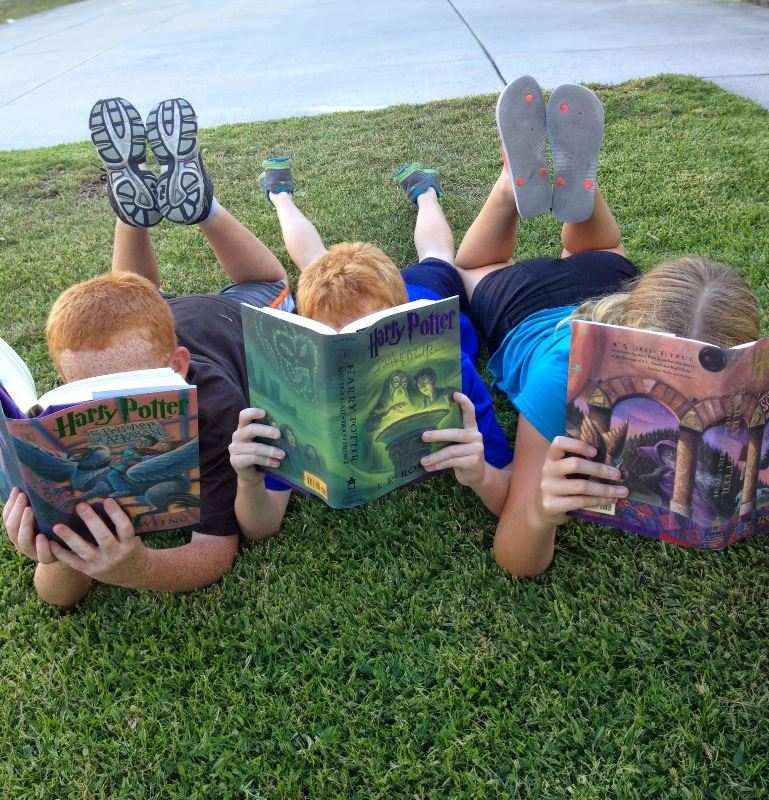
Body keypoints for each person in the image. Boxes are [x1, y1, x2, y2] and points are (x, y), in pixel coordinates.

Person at [451, 75, 761, 576]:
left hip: (608, 278)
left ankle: (577, 192)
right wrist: (540, 511)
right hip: (528, 310)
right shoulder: (565, 379)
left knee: (599, 254)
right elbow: (515, 556)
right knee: (473, 268)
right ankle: (512, 187)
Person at [2, 97, 292, 606]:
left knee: (271, 283)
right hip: (156, 319)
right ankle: (133, 214)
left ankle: (204, 209)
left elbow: (215, 550)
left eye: (133, 391)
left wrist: (140, 567)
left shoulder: (215, 402)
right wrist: (55, 555)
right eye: (87, 391)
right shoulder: (56, 435)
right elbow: (55, 597)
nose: (112, 407)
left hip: (231, 320)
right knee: (141, 297)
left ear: (179, 369)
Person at [229, 159, 514, 518]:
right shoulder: (299, 380)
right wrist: (249, 481)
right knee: (316, 263)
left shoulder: (449, 365)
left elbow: (505, 477)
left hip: (424, 290)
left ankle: (424, 192)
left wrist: (482, 473)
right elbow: (262, 524)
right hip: (344, 299)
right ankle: (280, 195)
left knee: (439, 257)